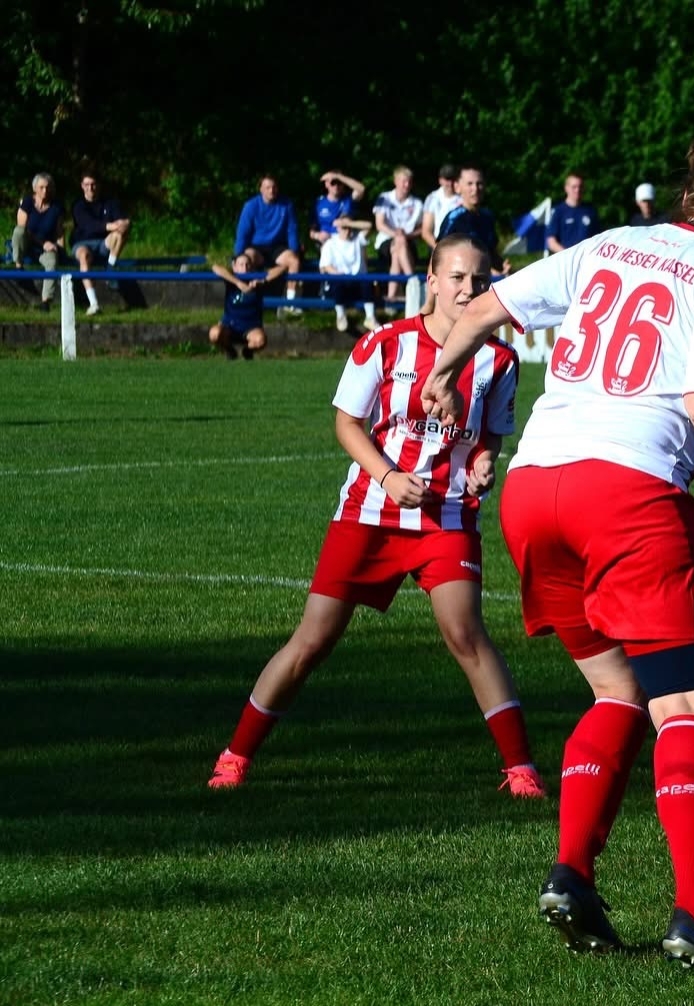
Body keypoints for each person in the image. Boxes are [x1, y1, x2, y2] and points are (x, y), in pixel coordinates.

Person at [422, 125, 694, 985]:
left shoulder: (608, 241)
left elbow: (486, 307)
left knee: (617, 691)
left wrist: (443, 375)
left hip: (535, 489)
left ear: (683, 199)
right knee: (686, 709)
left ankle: (572, 875)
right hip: (627, 495)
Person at [208, 234, 544, 800]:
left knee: (467, 635)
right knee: (313, 639)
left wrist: (485, 464)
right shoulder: (384, 344)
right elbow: (347, 424)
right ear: (431, 280)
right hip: (369, 513)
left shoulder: (500, 359)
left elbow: (490, 437)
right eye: (457, 277)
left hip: (447, 517)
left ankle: (521, 770)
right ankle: (235, 757)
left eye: (480, 279)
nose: (469, 289)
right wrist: (388, 477)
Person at [233, 175, 302, 314]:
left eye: (274, 187)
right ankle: (247, 298)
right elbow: (243, 232)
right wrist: (238, 255)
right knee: (246, 261)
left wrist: (295, 250)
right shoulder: (251, 206)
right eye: (268, 187)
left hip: (277, 246)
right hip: (256, 246)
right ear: (261, 189)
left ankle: (290, 303)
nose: (271, 190)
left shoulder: (286, 205)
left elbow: (292, 230)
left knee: (294, 261)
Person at [70, 174, 131, 317]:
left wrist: (125, 223)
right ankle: (94, 304)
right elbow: (89, 225)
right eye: (87, 184)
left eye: (93, 184)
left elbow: (122, 221)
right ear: (82, 186)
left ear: (98, 185)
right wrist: (112, 225)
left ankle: (110, 268)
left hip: (104, 243)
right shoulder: (78, 205)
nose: (90, 188)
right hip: (82, 243)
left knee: (120, 234)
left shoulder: (110, 203)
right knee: (84, 256)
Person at [209, 252, 286, 359]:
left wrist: (263, 281)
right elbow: (215, 267)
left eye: (247, 264)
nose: (245, 268)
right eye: (241, 265)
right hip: (229, 324)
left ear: (252, 267)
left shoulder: (257, 279)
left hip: (251, 326)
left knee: (260, 341)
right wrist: (238, 283)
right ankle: (229, 350)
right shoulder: (231, 279)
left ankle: (247, 351)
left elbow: (282, 268)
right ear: (234, 267)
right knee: (214, 334)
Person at [11, 173, 65, 310]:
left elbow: (59, 232)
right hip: (28, 242)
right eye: (41, 187)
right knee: (18, 231)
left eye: (47, 187)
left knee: (52, 260)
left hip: (45, 247)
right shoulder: (27, 203)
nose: (45, 191)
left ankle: (46, 301)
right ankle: (18, 266)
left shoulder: (56, 207)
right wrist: (43, 243)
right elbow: (23, 229)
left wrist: (60, 250)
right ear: (35, 188)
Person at [318, 218, 380, 333]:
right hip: (340, 280)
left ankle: (370, 317)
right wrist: (337, 273)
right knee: (337, 283)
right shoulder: (330, 243)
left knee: (366, 283)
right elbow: (326, 265)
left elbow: (369, 225)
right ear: (338, 228)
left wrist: (347, 223)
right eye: (344, 228)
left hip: (357, 281)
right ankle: (340, 316)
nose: (347, 230)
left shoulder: (358, 239)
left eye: (349, 227)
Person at [373, 166, 424, 302]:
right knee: (399, 243)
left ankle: (392, 296)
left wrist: (406, 236)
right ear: (395, 181)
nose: (407, 185)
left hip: (408, 242)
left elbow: (422, 228)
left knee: (398, 250)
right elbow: (379, 224)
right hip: (386, 240)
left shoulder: (417, 203)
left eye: (409, 182)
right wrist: (397, 234)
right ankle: (413, 284)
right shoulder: (384, 198)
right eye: (404, 181)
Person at [308, 170, 366, 247]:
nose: (336, 186)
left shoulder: (348, 199)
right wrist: (318, 236)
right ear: (326, 184)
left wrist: (338, 176)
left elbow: (361, 189)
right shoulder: (318, 203)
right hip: (327, 242)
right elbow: (311, 232)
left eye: (339, 183)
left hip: (347, 240)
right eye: (333, 183)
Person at [544, 172, 600, 252]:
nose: (577, 190)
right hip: (566, 257)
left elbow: (598, 238)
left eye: (580, 186)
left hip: (587, 256)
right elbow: (551, 241)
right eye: (574, 187)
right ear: (566, 188)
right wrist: (568, 254)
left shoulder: (590, 211)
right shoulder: (558, 211)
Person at [421, 163, 461, 252]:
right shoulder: (433, 198)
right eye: (447, 179)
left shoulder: (464, 197)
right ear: (440, 180)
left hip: (460, 243)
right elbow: (426, 231)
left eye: (453, 179)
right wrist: (438, 247)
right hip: (438, 242)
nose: (450, 183)